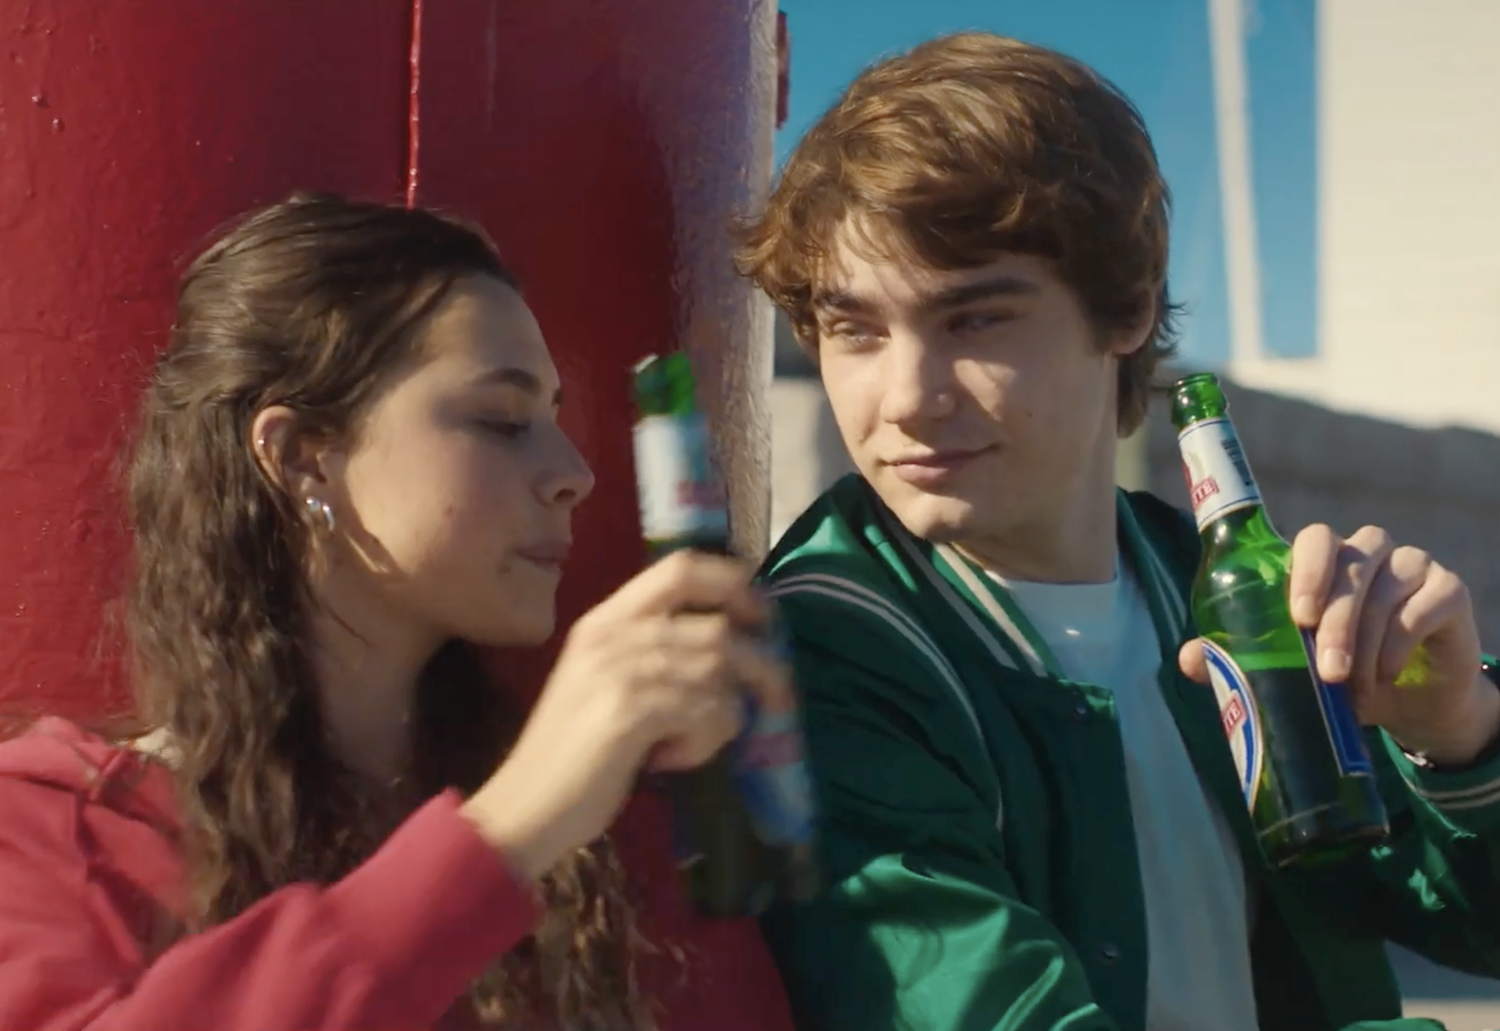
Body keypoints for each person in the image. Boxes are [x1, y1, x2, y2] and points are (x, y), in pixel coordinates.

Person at [734, 31, 1500, 1031]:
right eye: (856, 329)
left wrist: (1458, 736)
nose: (907, 398)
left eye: (976, 320)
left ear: (1128, 307)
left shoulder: (1211, 586)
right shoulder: (824, 655)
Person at [0, 193, 798, 1031]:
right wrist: (509, 830)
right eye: (501, 420)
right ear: (303, 456)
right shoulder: (60, 832)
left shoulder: (608, 842)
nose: (573, 472)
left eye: (554, 419)